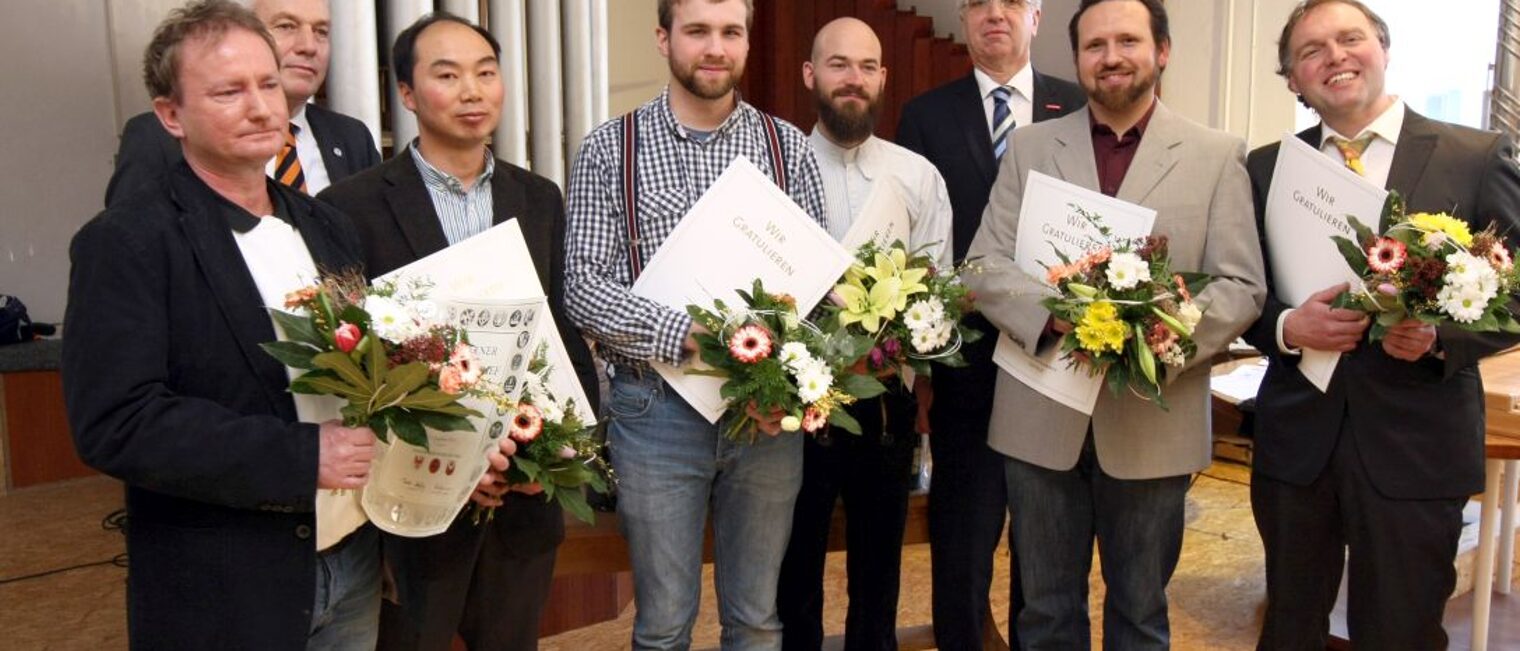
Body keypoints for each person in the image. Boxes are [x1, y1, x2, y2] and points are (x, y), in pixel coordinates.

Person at [62, 2, 381, 647]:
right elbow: (116, 422)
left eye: (267, 84)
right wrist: (302, 454)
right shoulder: (127, 240)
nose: (262, 107)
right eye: (229, 91)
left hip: (352, 557)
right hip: (227, 578)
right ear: (171, 115)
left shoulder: (327, 225)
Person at [963, 0, 1266, 647]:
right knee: (1044, 613)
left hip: (1154, 421)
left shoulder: (1216, 155)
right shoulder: (1031, 146)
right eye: (1095, 45)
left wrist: (1155, 333)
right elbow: (982, 263)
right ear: (1077, 59)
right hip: (1040, 415)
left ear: (1162, 51)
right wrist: (1061, 318)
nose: (1111, 56)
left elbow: (1242, 286)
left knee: (1141, 613)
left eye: (1128, 40)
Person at [1241, 1, 1520, 648]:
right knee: (1287, 627)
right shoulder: (1264, 168)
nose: (1334, 56)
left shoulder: (1474, 155)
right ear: (1293, 79)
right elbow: (1244, 293)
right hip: (1296, 446)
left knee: (1400, 631)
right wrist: (1287, 326)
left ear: (1384, 49)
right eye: (1312, 50)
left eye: (1350, 38)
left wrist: (1438, 338)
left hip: (1417, 444)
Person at [318, 13, 599, 650]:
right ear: (409, 94)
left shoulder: (539, 198)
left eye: (486, 73)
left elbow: (556, 332)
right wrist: (455, 460)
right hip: (414, 504)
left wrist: (559, 453)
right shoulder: (350, 207)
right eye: (447, 75)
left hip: (522, 497)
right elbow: (352, 370)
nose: (472, 91)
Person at [562, 0, 827, 647]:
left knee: (758, 620)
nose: (715, 47)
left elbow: (821, 294)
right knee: (663, 624)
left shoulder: (788, 148)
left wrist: (788, 387)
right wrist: (687, 333)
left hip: (764, 419)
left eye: (731, 32)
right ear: (663, 37)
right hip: (653, 414)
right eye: (698, 31)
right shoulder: (609, 149)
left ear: (746, 41)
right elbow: (582, 287)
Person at [893, 1, 1084, 645]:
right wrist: (921, 371)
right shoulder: (925, 116)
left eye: (1010, 2)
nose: (993, 14)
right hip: (964, 364)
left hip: (1057, 364)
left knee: (1045, 542)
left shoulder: (1079, 104)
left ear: (1036, 16)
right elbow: (914, 245)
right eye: (978, 3)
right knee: (962, 540)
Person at [775, 17, 954, 651]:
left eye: (867, 67)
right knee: (793, 569)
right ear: (810, 74)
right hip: (793, 408)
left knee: (878, 568)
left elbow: (941, 295)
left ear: (883, 77)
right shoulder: (774, 173)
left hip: (886, 403)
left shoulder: (918, 177)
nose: (853, 79)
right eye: (838, 64)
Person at [105, 0, 380, 206]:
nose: (309, 46)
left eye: (321, 31)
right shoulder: (155, 136)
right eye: (286, 26)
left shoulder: (351, 137)